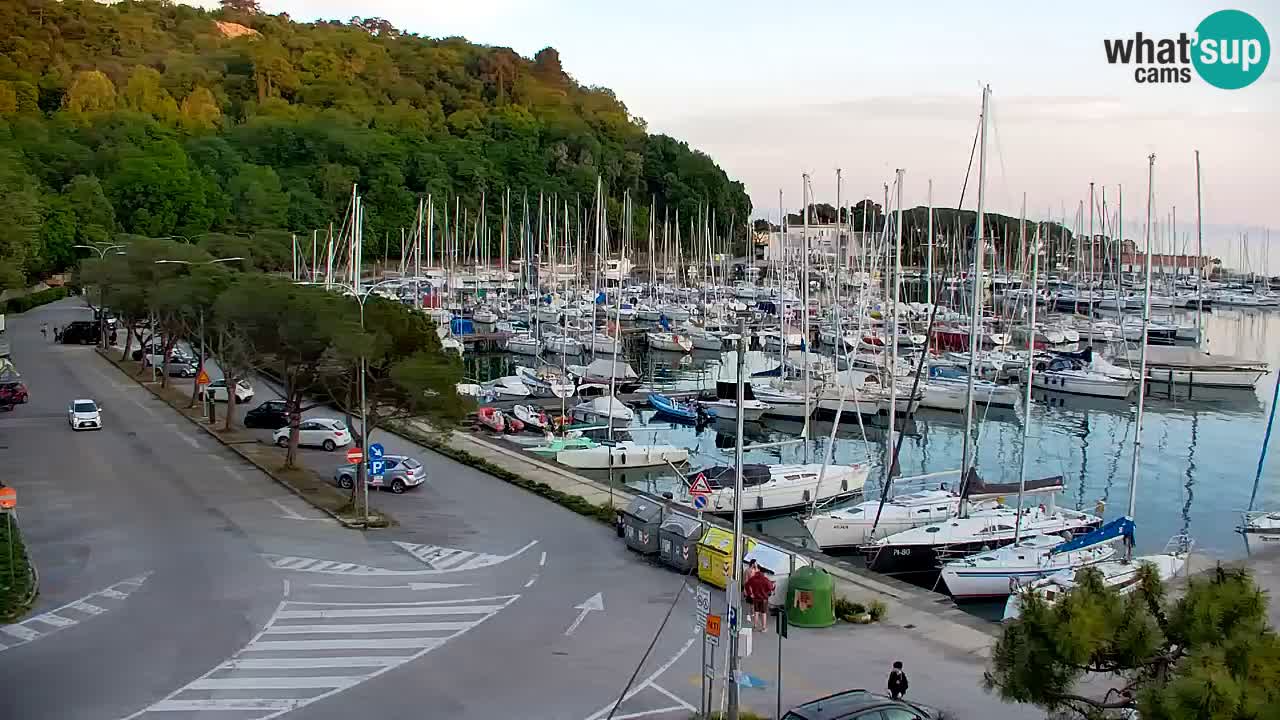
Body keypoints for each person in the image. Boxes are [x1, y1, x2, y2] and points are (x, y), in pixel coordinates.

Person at [743, 559, 775, 633]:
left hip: (756, 598)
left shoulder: (753, 579)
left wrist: (750, 594)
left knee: (756, 612)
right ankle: (764, 628)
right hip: (764, 599)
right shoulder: (765, 580)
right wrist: (773, 587)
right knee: (763, 613)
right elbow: (771, 587)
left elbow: (746, 585)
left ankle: (755, 626)